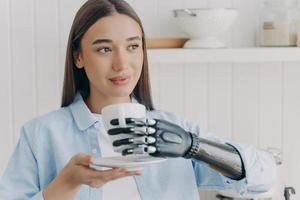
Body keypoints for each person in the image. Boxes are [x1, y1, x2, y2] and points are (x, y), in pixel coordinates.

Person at [0, 0, 277, 199]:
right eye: (105, 49)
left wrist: (194, 146)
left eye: (133, 46)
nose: (122, 64)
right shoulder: (41, 135)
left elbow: (264, 177)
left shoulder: (172, 131)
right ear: (79, 57)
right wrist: (66, 184)